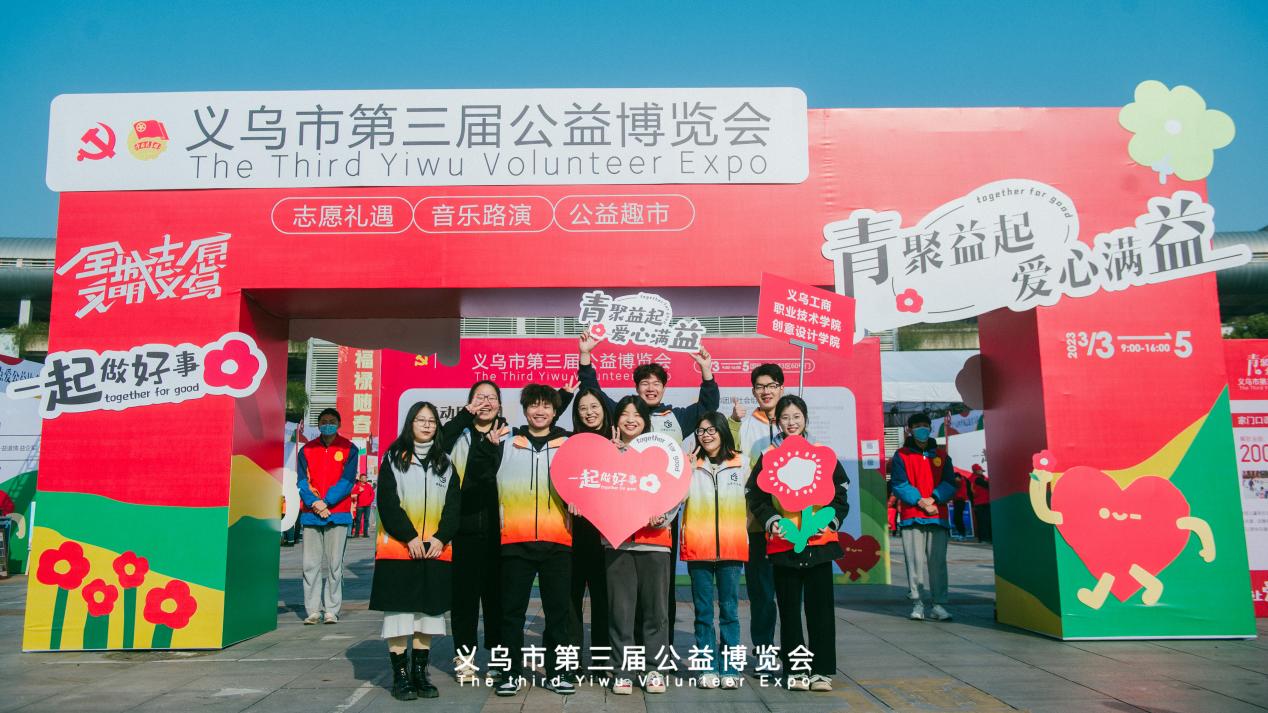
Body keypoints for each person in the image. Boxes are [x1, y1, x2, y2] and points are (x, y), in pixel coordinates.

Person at [576, 333, 718, 644]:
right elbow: (593, 393)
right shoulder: (625, 413)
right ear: (636, 387)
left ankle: (659, 649)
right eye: (645, 383)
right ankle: (628, 647)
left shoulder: (676, 417)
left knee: (660, 587)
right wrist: (585, 357)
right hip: (625, 512)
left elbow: (708, 406)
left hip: (663, 513)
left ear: (664, 388)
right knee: (625, 588)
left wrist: (706, 371)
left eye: (656, 383)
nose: (650, 388)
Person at [476, 384, 577, 697]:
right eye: (534, 405)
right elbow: (481, 477)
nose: (540, 411)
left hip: (558, 542)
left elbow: (584, 484)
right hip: (515, 542)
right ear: (524, 409)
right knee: (511, 614)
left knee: (558, 614)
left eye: (546, 405)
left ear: (555, 411)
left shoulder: (569, 445)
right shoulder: (506, 441)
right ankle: (509, 673)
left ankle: (558, 672)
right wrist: (488, 449)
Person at [746, 395, 849, 693]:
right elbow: (755, 495)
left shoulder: (822, 453)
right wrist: (772, 521)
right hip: (784, 544)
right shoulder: (769, 455)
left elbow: (840, 492)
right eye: (785, 418)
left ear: (805, 418)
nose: (791, 423)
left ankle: (822, 671)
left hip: (819, 543)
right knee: (789, 611)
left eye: (796, 417)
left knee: (820, 611)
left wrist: (831, 521)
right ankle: (796, 670)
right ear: (777, 421)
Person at [371, 401, 462, 701]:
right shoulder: (394, 458)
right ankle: (400, 676)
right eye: (420, 420)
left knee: (429, 613)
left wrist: (441, 537)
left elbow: (453, 506)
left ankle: (420, 673)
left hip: (435, 549)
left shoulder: (445, 463)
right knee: (399, 613)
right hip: (400, 550)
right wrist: (409, 536)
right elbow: (387, 503)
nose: (426, 425)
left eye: (432, 421)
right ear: (410, 424)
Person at [604, 395, 679, 695]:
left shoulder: (661, 453)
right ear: (617, 420)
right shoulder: (606, 455)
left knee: (656, 612)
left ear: (646, 422)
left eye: (637, 414)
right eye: (625, 414)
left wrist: (664, 518)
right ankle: (622, 670)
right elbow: (596, 494)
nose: (631, 419)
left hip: (655, 543)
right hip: (618, 543)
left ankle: (654, 669)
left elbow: (676, 489)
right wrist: (614, 457)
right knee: (620, 611)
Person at [437, 380, 509, 685]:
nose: (486, 403)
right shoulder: (459, 434)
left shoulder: (510, 437)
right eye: (479, 398)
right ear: (469, 403)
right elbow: (437, 444)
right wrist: (464, 417)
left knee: (498, 600)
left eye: (491, 398)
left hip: (501, 532)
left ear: (500, 405)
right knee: (464, 601)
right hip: (463, 530)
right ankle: (464, 661)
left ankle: (499, 661)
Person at [681, 411, 748, 690]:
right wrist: (684, 471)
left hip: (732, 548)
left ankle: (730, 667)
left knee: (730, 611)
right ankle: (706, 666)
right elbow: (678, 498)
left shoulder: (741, 462)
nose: (706, 435)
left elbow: (754, 499)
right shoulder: (690, 464)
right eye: (701, 431)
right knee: (703, 612)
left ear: (722, 431)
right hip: (699, 547)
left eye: (711, 430)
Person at [726, 363, 783, 656]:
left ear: (781, 388)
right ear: (753, 391)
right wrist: (733, 423)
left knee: (789, 594)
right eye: (760, 387)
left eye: (771, 385)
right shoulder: (746, 425)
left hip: (793, 524)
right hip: (757, 523)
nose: (766, 391)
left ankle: (794, 654)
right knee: (761, 594)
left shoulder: (793, 425)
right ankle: (764, 653)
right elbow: (729, 456)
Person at [889, 412, 959, 622]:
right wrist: (920, 501)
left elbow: (949, 483)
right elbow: (899, 483)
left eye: (925, 425)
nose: (922, 429)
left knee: (938, 563)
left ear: (930, 428)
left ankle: (939, 605)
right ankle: (917, 603)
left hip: (937, 516)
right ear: (909, 429)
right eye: (917, 425)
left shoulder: (942, 455)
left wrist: (933, 499)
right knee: (914, 562)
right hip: (912, 516)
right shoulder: (901, 455)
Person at [297, 408, 358, 625]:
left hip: (337, 514)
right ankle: (313, 610)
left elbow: (347, 481)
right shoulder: (306, 450)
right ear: (318, 424)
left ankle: (331, 609)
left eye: (332, 421)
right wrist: (315, 503)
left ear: (339, 424)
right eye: (323, 421)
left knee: (334, 565)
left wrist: (327, 502)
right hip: (311, 515)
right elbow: (302, 481)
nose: (328, 424)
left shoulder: (349, 448)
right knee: (310, 565)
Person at [566, 387, 613, 672]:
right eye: (583, 408)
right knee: (570, 599)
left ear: (604, 409)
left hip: (607, 535)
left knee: (603, 599)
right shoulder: (569, 443)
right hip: (575, 533)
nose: (589, 412)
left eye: (594, 406)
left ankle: (601, 660)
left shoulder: (616, 441)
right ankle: (570, 661)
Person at [971, 464, 991, 543]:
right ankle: (984, 538)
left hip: (984, 502)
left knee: (985, 521)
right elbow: (987, 485)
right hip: (981, 503)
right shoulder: (976, 479)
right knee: (983, 521)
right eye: (980, 470)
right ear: (976, 471)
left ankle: (985, 538)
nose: (982, 472)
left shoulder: (981, 478)